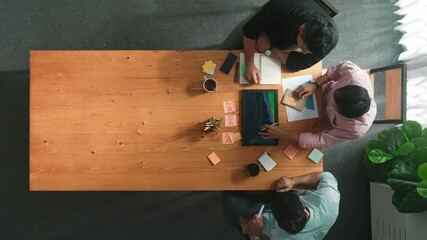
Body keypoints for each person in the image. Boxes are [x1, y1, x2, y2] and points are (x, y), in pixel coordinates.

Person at [259, 61, 377, 149]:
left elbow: (321, 140)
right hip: (321, 90)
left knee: (293, 127)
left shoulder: (355, 130)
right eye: (335, 97)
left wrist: (283, 134)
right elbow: (339, 68)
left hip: (324, 122)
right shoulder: (355, 75)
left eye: (336, 107)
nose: (332, 105)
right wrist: (316, 84)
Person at [243, 0, 339, 84]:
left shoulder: (329, 41)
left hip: (283, 38)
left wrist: (269, 48)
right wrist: (249, 64)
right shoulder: (283, 7)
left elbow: (298, 64)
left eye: (308, 52)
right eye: (302, 47)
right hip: (278, 20)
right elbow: (250, 29)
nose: (304, 53)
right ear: (301, 30)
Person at [225, 172, 340, 240]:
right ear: (305, 211)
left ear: (279, 224)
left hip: (263, 220)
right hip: (285, 210)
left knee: (230, 199)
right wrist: (293, 182)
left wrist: (255, 235)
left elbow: (255, 234)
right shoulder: (330, 199)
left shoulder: (282, 238)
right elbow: (326, 176)